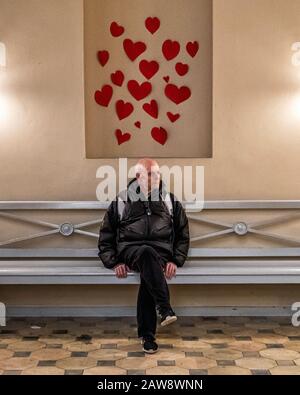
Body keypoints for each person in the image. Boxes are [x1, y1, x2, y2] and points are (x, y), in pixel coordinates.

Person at [98, 158, 190, 354]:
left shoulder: (170, 200)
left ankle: (147, 336)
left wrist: (175, 259)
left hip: (161, 254)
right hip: (131, 252)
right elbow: (106, 236)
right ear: (138, 177)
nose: (155, 177)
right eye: (150, 173)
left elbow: (182, 234)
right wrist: (114, 262)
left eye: (157, 173)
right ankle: (165, 308)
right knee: (146, 253)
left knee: (150, 270)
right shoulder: (122, 201)